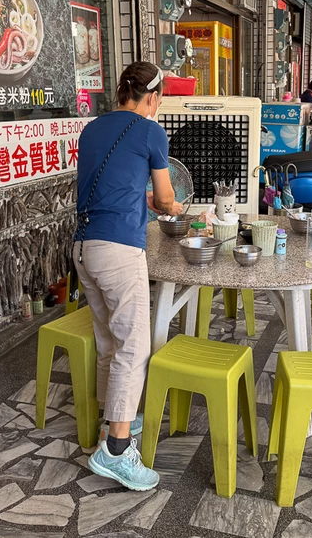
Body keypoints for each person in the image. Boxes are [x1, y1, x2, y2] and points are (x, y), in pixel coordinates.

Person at [74, 62, 183, 490]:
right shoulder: (150, 130)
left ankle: (109, 424)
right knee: (133, 347)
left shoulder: (92, 129)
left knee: (109, 342)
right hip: (119, 249)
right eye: (161, 99)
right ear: (153, 98)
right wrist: (172, 207)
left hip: (83, 247)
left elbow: (107, 184)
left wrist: (144, 199)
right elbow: (168, 195)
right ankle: (117, 449)